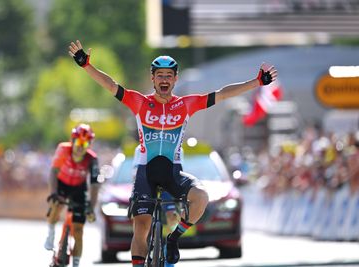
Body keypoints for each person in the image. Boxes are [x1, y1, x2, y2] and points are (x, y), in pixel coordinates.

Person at [68, 40, 277, 266]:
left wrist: (256, 82)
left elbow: (223, 94)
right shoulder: (140, 102)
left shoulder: (186, 105)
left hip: (173, 172)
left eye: (169, 75)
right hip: (146, 172)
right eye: (160, 75)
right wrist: (86, 66)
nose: (164, 80)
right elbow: (111, 86)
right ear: (153, 79)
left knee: (202, 197)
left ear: (175, 79)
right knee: (141, 227)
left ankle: (173, 238)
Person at [44, 123, 100, 267]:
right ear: (72, 141)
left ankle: (76, 264)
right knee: (56, 204)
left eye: (85, 143)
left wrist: (91, 207)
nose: (81, 146)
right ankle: (50, 233)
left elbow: (94, 185)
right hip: (61, 183)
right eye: (79, 142)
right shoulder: (63, 149)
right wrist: (53, 193)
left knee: (78, 230)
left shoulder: (92, 159)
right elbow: (53, 172)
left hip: (78, 188)